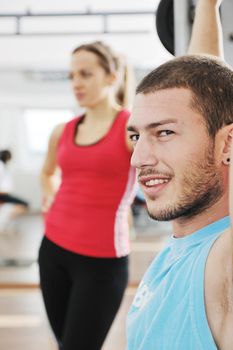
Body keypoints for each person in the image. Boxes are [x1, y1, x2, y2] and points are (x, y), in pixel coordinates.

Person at [125, 53, 233, 348]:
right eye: (136, 137)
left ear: (227, 143)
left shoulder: (223, 262)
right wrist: (207, 6)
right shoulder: (185, 244)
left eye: (164, 132)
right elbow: (214, 92)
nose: (139, 159)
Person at [38, 41, 136, 350]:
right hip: (52, 250)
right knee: (65, 342)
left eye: (85, 74)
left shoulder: (130, 127)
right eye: (71, 76)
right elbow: (47, 172)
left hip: (102, 262)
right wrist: (50, 197)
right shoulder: (62, 131)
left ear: (111, 77)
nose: (76, 83)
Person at [0, 149, 29, 232]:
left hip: (5, 194)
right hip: (2, 194)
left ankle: (6, 222)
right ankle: (5, 223)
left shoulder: (3, 165)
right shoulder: (1, 165)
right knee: (25, 204)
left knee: (23, 205)